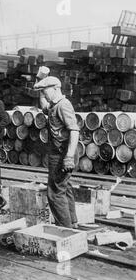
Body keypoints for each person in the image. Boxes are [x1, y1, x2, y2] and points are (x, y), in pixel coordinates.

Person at [34, 75, 80, 229]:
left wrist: (68, 157)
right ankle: (72, 223)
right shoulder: (54, 105)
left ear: (55, 88)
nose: (44, 94)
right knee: (64, 188)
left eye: (45, 90)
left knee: (54, 193)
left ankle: (65, 230)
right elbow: (43, 106)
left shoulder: (63, 105)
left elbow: (74, 131)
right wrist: (40, 81)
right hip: (59, 153)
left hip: (63, 154)